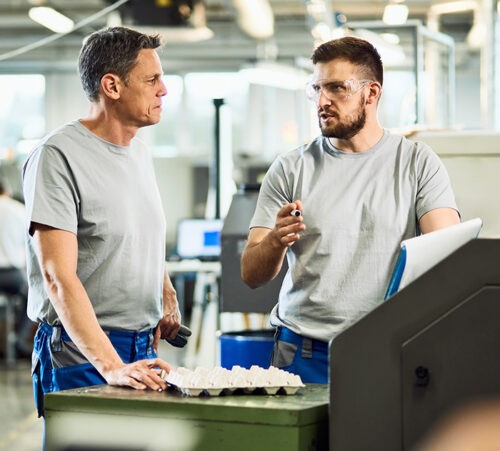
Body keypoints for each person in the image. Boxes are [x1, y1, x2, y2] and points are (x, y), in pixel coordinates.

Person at [241, 36, 460, 384]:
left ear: (371, 93)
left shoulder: (417, 163)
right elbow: (251, 274)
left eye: (336, 88)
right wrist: (275, 242)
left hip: (387, 349)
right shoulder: (290, 168)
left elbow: (448, 254)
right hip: (302, 353)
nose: (322, 101)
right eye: (316, 89)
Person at [22, 26, 180, 417]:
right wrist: (110, 365)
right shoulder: (57, 156)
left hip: (141, 347)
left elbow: (140, 234)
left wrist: (165, 292)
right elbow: (57, 276)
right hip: (82, 352)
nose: (164, 90)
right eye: (152, 79)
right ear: (112, 86)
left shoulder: (139, 154)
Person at [0, 177, 34, 357]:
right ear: (6, 190)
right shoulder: (18, 210)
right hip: (11, 275)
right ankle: (19, 339)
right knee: (33, 297)